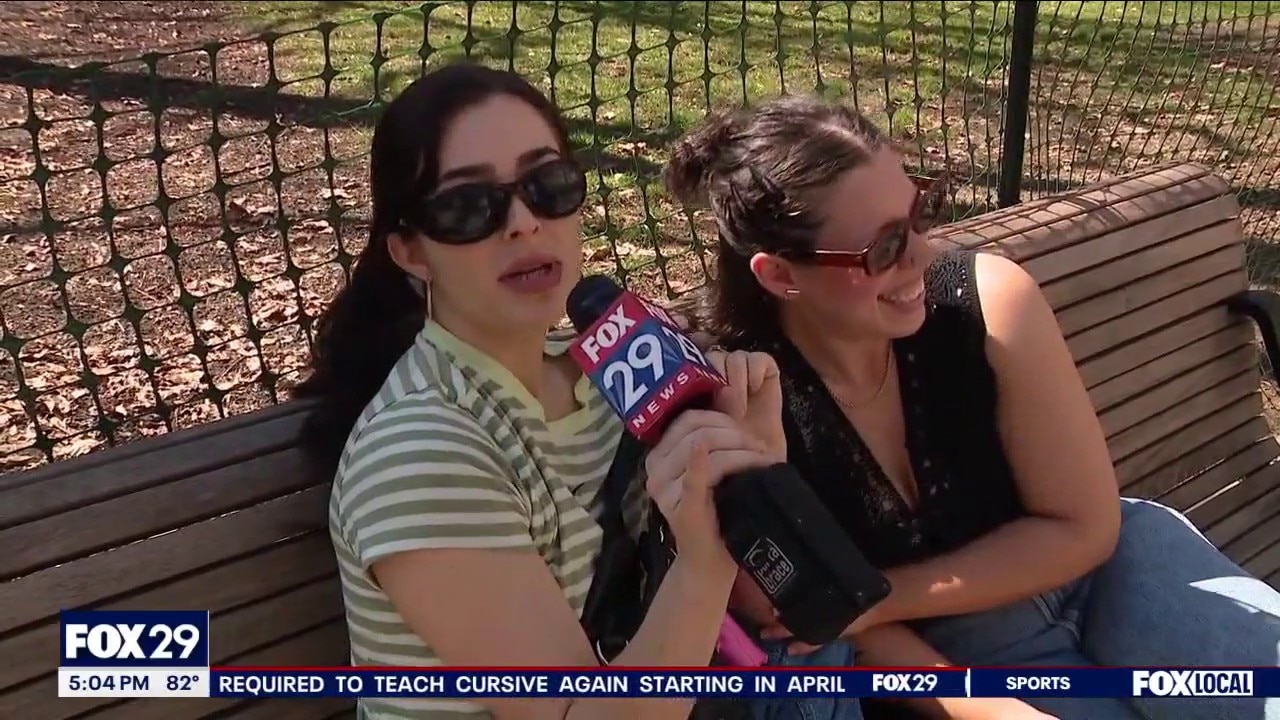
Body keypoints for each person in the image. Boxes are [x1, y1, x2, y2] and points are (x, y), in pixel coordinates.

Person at [662, 92, 1280, 720]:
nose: (922, 256)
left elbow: (1084, 528)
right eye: (883, 249)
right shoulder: (741, 395)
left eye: (921, 212)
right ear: (779, 276)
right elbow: (797, 618)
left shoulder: (987, 301)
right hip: (947, 657)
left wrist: (879, 598)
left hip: (1108, 574)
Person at [294, 61, 785, 720]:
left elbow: (770, 607)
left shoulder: (606, 370)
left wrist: (750, 475)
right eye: (469, 206)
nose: (524, 222)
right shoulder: (420, 454)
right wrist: (703, 560)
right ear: (411, 252)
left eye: (547, 183)